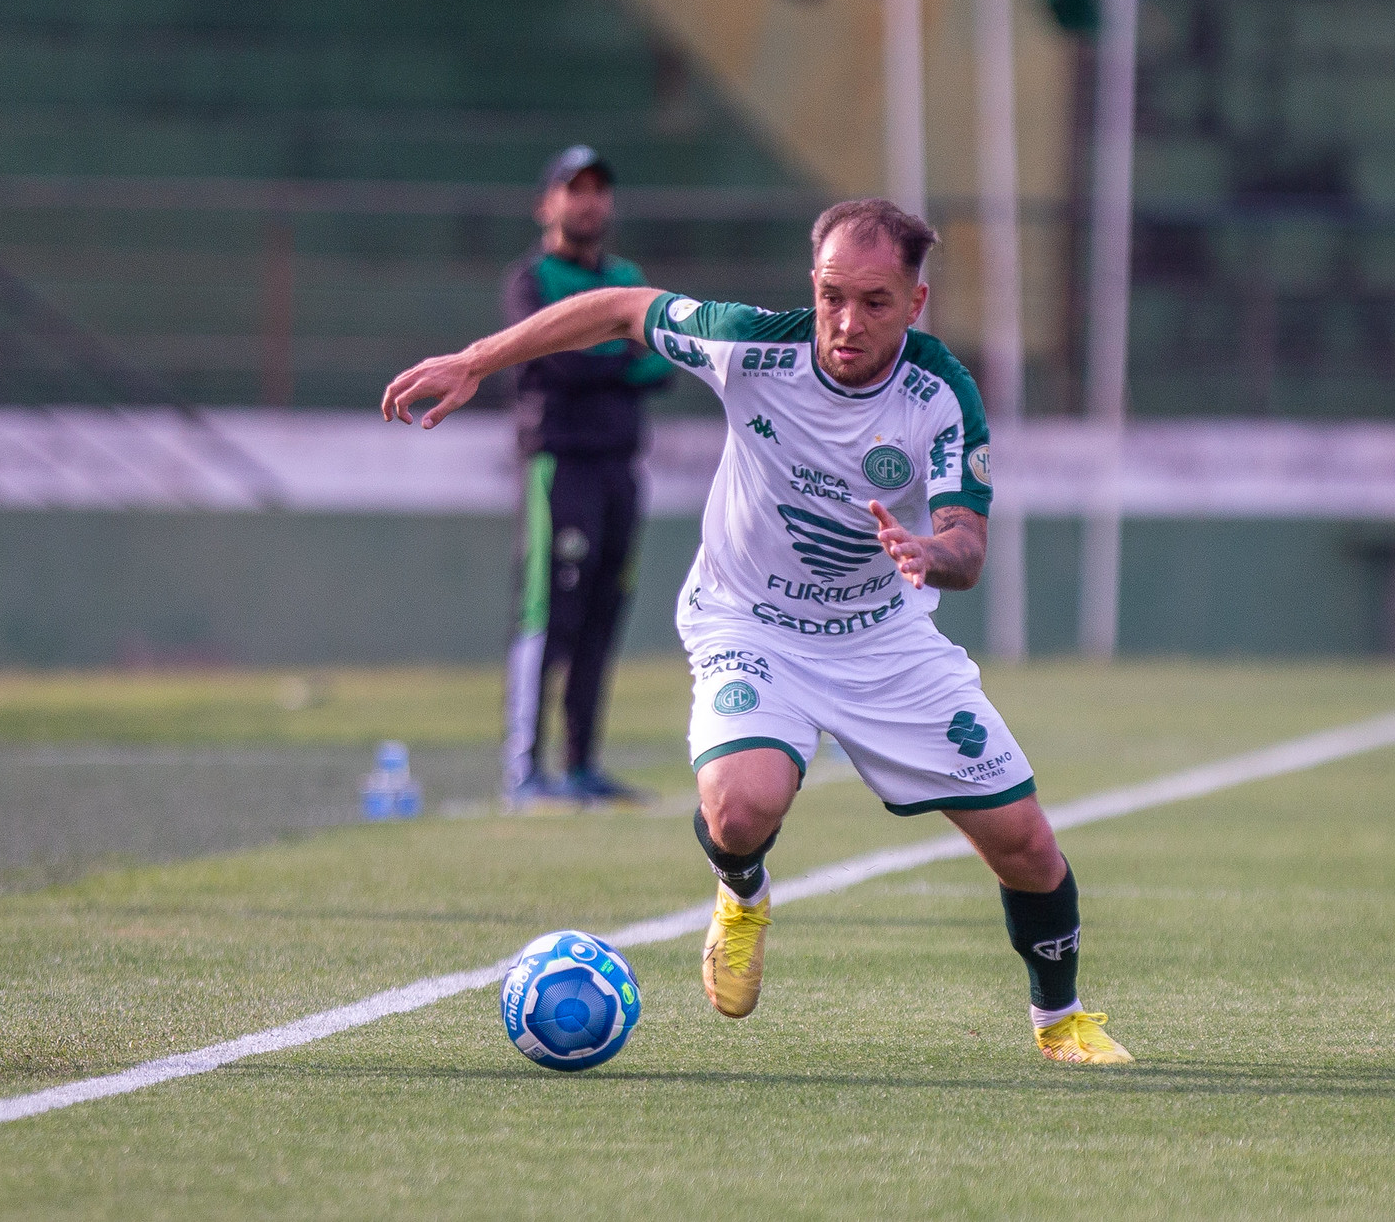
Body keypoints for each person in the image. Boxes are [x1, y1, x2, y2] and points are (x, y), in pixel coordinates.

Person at [383, 198, 1132, 1065]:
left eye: (876, 301)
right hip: (751, 622)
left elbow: (967, 544)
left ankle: (1061, 1020)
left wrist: (931, 550)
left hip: (882, 639)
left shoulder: (941, 395)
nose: (847, 322)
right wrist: (480, 359)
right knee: (741, 808)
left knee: (1027, 845)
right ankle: (742, 891)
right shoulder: (750, 346)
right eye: (831, 295)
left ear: (915, 305)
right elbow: (624, 309)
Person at [500, 146, 670, 807]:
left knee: (602, 615)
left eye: (599, 188)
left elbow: (658, 363)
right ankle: (523, 768)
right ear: (548, 203)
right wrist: (611, 350)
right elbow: (543, 363)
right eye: (574, 188)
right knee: (549, 611)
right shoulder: (531, 279)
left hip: (619, 467)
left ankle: (581, 766)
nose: (588, 200)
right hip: (558, 463)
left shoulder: (627, 277)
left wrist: (587, 348)